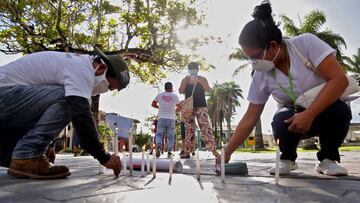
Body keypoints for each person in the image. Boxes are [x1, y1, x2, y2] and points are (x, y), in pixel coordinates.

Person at [216, 2, 351, 176]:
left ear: (273, 46)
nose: (254, 63)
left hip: (325, 112)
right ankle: (287, 158)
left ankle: (328, 159)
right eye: (249, 58)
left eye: (255, 56)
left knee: (340, 111)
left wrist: (309, 114)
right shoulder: (261, 75)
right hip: (294, 118)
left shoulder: (305, 44)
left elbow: (339, 80)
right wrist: (226, 153)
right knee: (280, 120)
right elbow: (250, 118)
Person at [0, 46, 130, 179]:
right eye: (109, 87)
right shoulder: (81, 69)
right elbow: (81, 116)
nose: (105, 90)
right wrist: (104, 157)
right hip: (4, 96)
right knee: (71, 98)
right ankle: (27, 155)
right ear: (102, 68)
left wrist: (45, 146)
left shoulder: (75, 64)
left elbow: (38, 111)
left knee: (73, 97)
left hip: (10, 105)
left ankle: (14, 155)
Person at [179, 62, 219, 159]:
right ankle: (187, 151)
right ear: (188, 70)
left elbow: (208, 89)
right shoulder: (185, 79)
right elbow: (181, 91)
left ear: (198, 69)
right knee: (189, 129)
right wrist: (185, 82)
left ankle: (213, 150)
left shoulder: (202, 79)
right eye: (191, 68)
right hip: (188, 107)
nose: (193, 70)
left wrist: (201, 81)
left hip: (201, 106)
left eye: (194, 68)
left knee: (205, 127)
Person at [151, 82, 179, 158]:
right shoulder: (175, 96)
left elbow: (153, 104)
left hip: (161, 118)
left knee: (159, 134)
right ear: (172, 88)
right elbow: (179, 106)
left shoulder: (160, 95)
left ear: (165, 88)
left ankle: (158, 145)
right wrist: (174, 110)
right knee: (170, 136)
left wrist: (159, 108)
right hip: (171, 119)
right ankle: (169, 151)